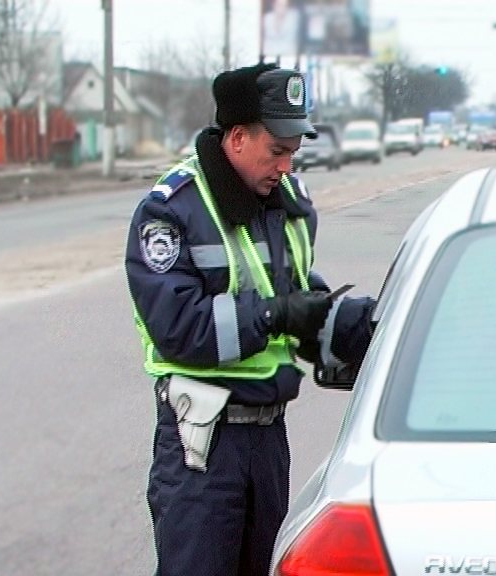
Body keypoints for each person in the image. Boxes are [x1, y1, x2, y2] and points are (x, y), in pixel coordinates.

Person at [125, 62, 376, 576]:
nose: (286, 165)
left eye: (292, 152)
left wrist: (374, 327)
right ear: (237, 138)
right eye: (276, 150)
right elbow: (179, 330)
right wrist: (273, 313)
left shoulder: (286, 204)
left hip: (267, 443)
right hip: (203, 448)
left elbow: (305, 309)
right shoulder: (171, 211)